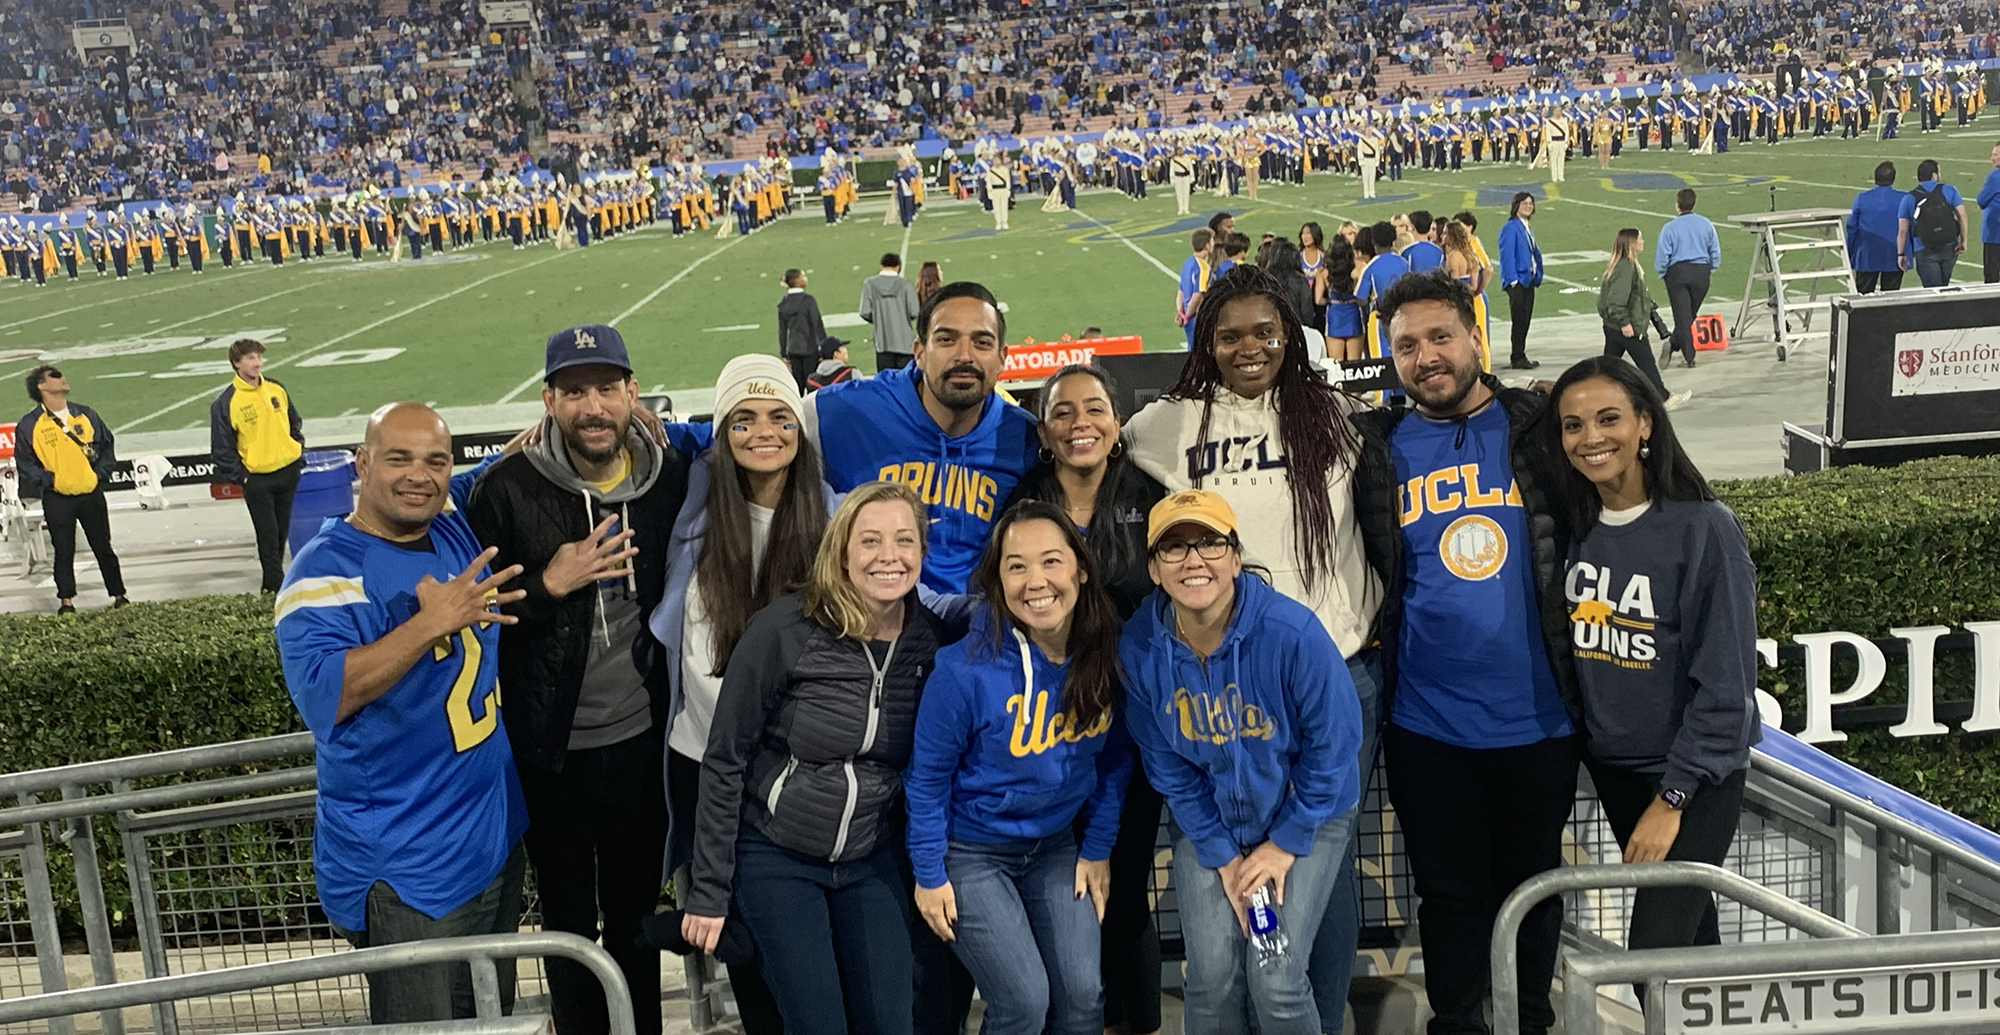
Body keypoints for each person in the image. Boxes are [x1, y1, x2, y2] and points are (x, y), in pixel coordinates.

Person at [1124, 265, 1383, 1031]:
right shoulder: (1169, 423)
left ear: (1289, 334)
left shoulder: (1338, 414)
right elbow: (1096, 444)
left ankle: (1314, 1016)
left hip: (1335, 666)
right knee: (1232, 893)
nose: (1249, 347)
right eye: (1228, 333)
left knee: (1322, 873)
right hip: (1218, 675)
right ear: (1205, 339)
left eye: (1265, 332)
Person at [1353, 271, 1581, 1035]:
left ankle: (1531, 1018)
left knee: (1536, 886)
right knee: (1448, 894)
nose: (1426, 357)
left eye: (1440, 337)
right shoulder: (1376, 448)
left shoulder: (1538, 424)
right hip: (1427, 724)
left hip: (1540, 717)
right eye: (1407, 346)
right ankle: (1456, 1020)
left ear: (1474, 335)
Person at [464, 324, 695, 1035]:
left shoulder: (670, 476)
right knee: (567, 922)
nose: (592, 406)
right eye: (573, 391)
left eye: (605, 388)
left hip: (640, 737)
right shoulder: (503, 489)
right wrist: (549, 581)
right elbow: (472, 609)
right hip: (548, 748)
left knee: (635, 917)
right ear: (547, 400)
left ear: (632, 392)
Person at [274, 402, 528, 1023]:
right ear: (361, 463)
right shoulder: (324, 574)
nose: (420, 475)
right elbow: (324, 697)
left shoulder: (449, 525)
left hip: (492, 838)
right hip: (408, 862)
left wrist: (580, 411)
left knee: (491, 1019)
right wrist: (428, 625)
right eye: (399, 458)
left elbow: (506, 460)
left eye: (435, 460)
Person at [682, 481, 964, 1035]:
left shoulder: (930, 644)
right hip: (778, 856)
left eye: (905, 540)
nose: (890, 556)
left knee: (891, 1023)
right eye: (871, 541)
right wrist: (709, 889)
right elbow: (724, 758)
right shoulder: (784, 629)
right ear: (841, 552)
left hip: (870, 858)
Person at [1545, 356, 1761, 986]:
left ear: (1646, 424)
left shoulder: (1704, 528)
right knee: (1692, 945)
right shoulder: (1572, 528)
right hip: (1614, 768)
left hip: (1689, 779)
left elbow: (1726, 688)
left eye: (1609, 419)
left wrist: (1674, 797)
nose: (1592, 438)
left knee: (1652, 955)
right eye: (1573, 425)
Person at [1119, 489, 1362, 1035]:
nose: (1194, 560)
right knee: (1210, 977)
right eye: (1174, 548)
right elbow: (1166, 765)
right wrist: (1221, 852)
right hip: (1211, 819)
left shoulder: (1291, 633)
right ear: (1154, 569)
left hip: (1307, 814)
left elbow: (1334, 749)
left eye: (1209, 542)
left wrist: (1283, 844)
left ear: (1234, 555)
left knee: (1275, 976)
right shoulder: (1137, 648)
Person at [647, 354, 829, 1035]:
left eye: (781, 417)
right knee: (746, 952)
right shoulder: (693, 506)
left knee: (807, 959)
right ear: (720, 432)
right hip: (705, 768)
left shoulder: (832, 517)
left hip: (796, 770)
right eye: (743, 419)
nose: (764, 432)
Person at [905, 500, 1132, 1035]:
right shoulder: (962, 670)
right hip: (971, 853)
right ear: (996, 580)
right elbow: (927, 780)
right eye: (1016, 565)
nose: (1036, 581)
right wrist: (929, 871)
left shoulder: (1107, 651)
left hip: (1055, 847)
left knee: (1082, 1000)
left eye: (1051, 561)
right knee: (1024, 1002)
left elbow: (1117, 756)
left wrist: (1097, 847)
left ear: (1079, 567)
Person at [998, 363, 1166, 1034]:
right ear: (1043, 430)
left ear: (1117, 420)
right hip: (1048, 727)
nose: (1079, 424)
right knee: (1062, 891)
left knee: (1122, 885)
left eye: (1093, 408)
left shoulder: (1150, 496)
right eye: (1062, 412)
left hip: (1132, 722)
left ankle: (1137, 1020)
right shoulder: (1020, 503)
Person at [805, 281, 1040, 594]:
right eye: (946, 340)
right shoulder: (848, 411)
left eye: (982, 343)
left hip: (976, 627)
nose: (965, 356)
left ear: (1002, 358)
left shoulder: (1023, 437)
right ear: (919, 352)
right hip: (870, 620)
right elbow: (760, 426)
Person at [15, 366, 128, 614]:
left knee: (103, 547)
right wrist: (51, 481)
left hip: (90, 493)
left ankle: (119, 594)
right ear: (41, 386)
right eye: (54, 376)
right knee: (63, 551)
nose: (62, 378)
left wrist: (98, 475)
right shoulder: (29, 424)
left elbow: (107, 445)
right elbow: (25, 462)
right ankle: (66, 601)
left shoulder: (85, 414)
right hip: (58, 497)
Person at [210, 338, 306, 594]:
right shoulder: (226, 402)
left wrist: (296, 453)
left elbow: (294, 423)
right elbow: (221, 448)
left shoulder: (276, 388)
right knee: (267, 535)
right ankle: (276, 587)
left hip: (287, 471)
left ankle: (273, 585)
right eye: (250, 358)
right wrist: (243, 477)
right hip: (258, 479)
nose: (257, 363)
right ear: (236, 364)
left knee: (280, 533)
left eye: (258, 357)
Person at [1598, 229, 1691, 411]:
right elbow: (1616, 300)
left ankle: (1597, 397)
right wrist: (1625, 322)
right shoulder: (1626, 267)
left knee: (1607, 367)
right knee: (1646, 364)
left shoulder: (1623, 265)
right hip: (1627, 327)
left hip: (1614, 326)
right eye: (1640, 239)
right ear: (1632, 244)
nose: (1643, 241)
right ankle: (1662, 398)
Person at [1653, 189, 1722, 369]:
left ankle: (1681, 349)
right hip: (1701, 272)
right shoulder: (1706, 224)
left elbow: (1662, 255)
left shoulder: (1669, 228)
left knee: (1684, 316)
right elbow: (1714, 250)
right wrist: (1710, 269)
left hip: (1678, 272)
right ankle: (1686, 352)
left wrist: (1663, 272)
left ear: (1677, 205)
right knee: (1687, 315)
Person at [1897, 159, 1969, 287]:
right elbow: (1962, 216)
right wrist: (1963, 241)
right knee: (1944, 285)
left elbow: (1903, 230)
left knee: (1932, 290)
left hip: (1923, 247)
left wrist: (1901, 254)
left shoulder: (1909, 198)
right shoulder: (1949, 189)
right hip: (1949, 244)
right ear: (1934, 175)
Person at [1498, 192, 1545, 370]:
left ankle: (1521, 354)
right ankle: (1517, 357)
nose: (1528, 206)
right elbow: (1506, 255)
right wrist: (1512, 280)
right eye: (1524, 203)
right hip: (1518, 281)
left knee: (1525, 320)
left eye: (1530, 203)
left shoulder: (1526, 226)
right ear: (1516, 205)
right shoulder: (1510, 227)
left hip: (1528, 279)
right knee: (1519, 320)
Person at [1847, 162, 1910, 294]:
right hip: (1894, 254)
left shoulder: (1862, 198)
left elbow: (1851, 227)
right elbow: (1911, 226)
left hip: (1867, 255)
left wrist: (1849, 251)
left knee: (1863, 297)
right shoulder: (1904, 198)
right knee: (1890, 297)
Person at [1354, 222, 1410, 361]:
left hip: (1379, 319)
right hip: (1403, 316)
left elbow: (1360, 298)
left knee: (1381, 361)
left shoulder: (1371, 266)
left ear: (1373, 242)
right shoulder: (1403, 262)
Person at [860, 252, 922, 371]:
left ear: (881, 265)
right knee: (906, 381)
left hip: (883, 344)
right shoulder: (905, 284)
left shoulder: (870, 284)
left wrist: (878, 319)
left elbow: (865, 311)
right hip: (905, 343)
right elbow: (914, 311)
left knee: (886, 383)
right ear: (898, 266)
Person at [777, 269, 828, 390]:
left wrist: (784, 352)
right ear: (797, 281)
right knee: (812, 384)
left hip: (793, 348)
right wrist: (825, 346)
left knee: (797, 385)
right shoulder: (808, 300)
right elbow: (817, 323)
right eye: (803, 276)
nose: (805, 279)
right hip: (809, 347)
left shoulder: (783, 303)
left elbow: (782, 330)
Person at [1320, 234, 1365, 363]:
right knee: (1354, 364)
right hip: (1353, 313)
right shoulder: (1358, 267)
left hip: (1335, 315)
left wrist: (1328, 301)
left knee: (1336, 365)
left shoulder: (1324, 271)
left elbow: (1318, 299)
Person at [1178, 229, 1215, 350]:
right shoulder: (1203, 268)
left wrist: (1181, 312)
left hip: (1186, 315)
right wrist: (1188, 315)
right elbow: (1198, 295)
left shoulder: (1187, 263)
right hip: (1196, 317)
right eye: (1212, 241)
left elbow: (1180, 291)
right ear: (1206, 245)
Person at [1977, 140, 2000, 284]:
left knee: (1992, 278)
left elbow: (1981, 200)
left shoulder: (1995, 176)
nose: (1992, 158)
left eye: (1996, 154)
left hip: (1995, 234)